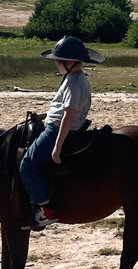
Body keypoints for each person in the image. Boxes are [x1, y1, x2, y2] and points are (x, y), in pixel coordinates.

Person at [19, 35, 104, 230]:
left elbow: (69, 115)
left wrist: (57, 145)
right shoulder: (75, 78)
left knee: (28, 164)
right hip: (55, 123)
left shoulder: (74, 82)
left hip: (58, 128)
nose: (56, 64)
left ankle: (44, 210)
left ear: (69, 62)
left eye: (59, 61)